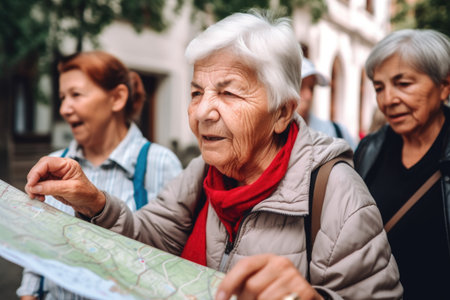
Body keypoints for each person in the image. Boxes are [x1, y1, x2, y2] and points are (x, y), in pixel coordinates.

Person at [25, 11, 402, 300]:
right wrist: (95, 202)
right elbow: (149, 243)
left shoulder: (336, 192)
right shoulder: (201, 172)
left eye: (228, 93)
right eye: (195, 92)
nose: (202, 112)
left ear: (282, 113)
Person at [17, 51, 183, 300]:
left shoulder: (160, 163)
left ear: (116, 98)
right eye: (62, 97)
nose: (64, 108)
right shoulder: (52, 164)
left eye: (76, 95)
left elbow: (173, 261)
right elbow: (35, 257)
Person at [354, 29, 450, 299]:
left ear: (444, 86)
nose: (388, 100)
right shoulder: (369, 150)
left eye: (403, 84)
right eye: (379, 88)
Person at [297, 58, 357, 149]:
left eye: (311, 87)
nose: (308, 95)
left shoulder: (337, 133)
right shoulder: (271, 139)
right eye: (301, 86)